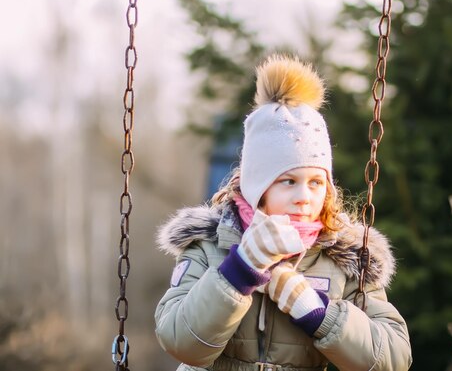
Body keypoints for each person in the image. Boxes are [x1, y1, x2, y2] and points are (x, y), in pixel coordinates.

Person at [154, 55, 412, 371]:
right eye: (288, 181)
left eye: (316, 182)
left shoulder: (343, 257)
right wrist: (239, 271)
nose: (304, 197)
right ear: (257, 186)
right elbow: (181, 343)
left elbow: (394, 359)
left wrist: (318, 313)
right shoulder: (209, 247)